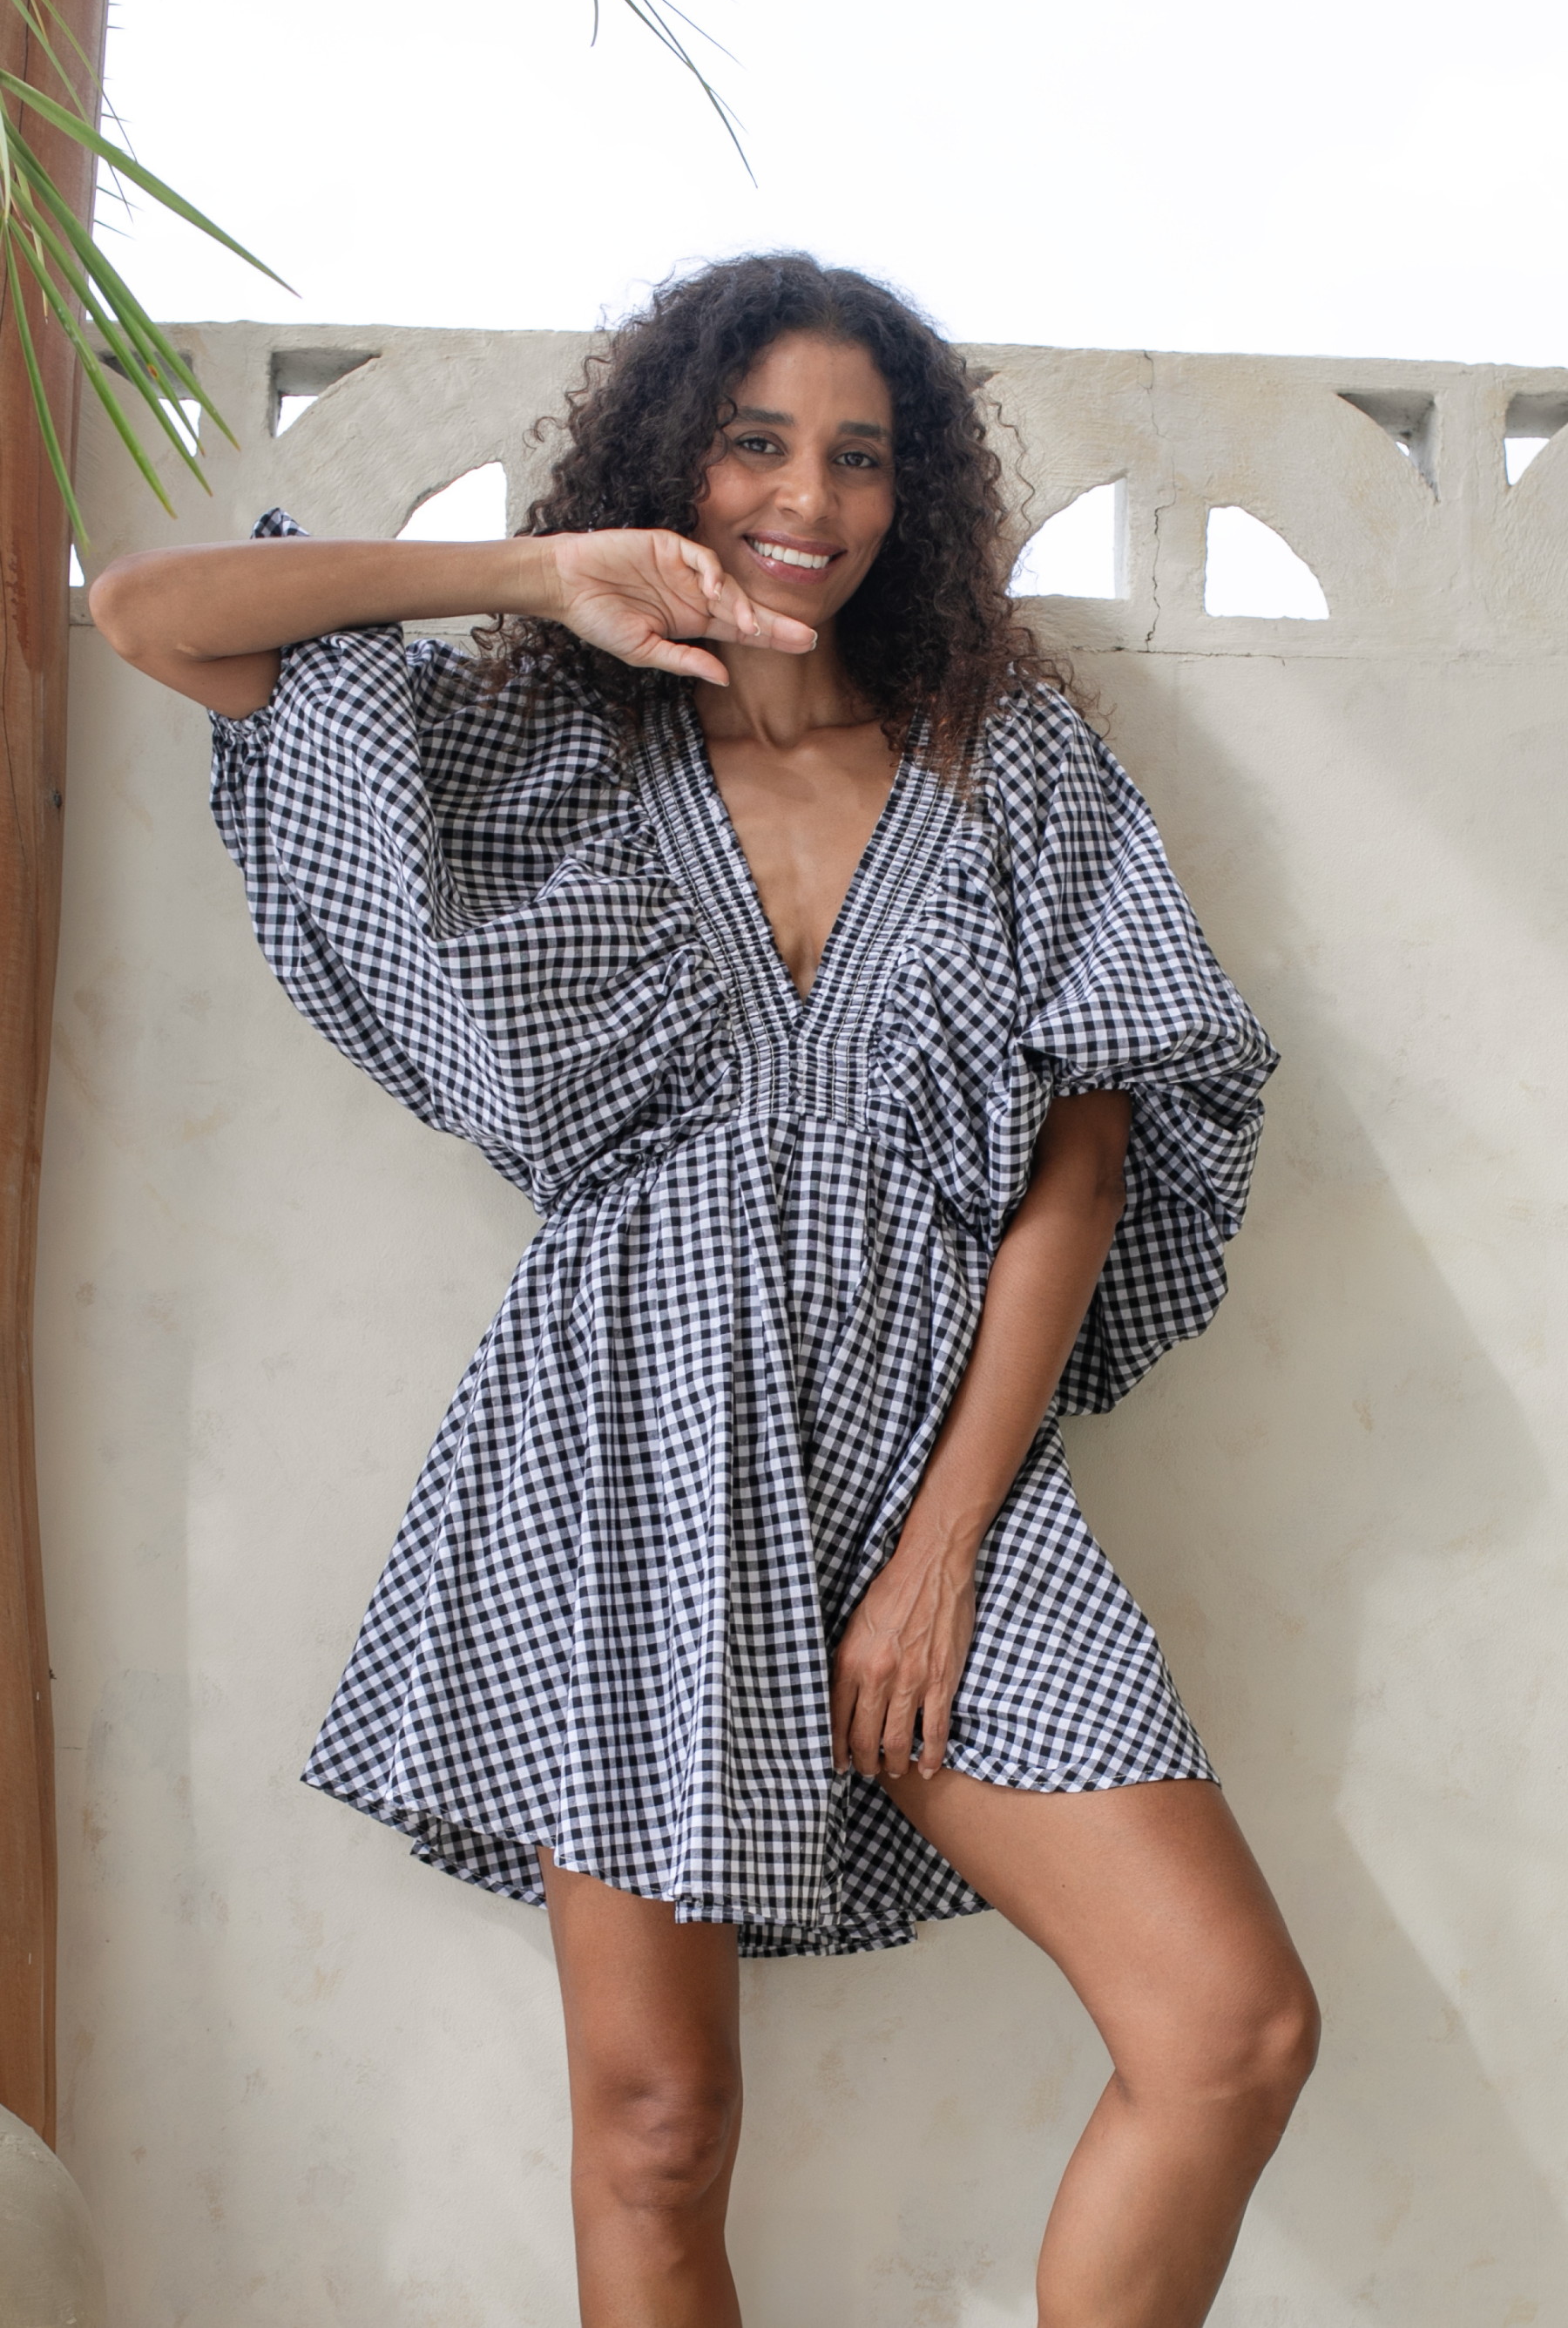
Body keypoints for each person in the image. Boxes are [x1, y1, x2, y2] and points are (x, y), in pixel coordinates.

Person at [91, 253, 1317, 2328]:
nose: (808, 500)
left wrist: (944, 1549)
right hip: (626, 1447)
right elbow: (152, 615)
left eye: (860, 455)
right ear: (675, 460)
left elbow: (1082, 1160)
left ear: (915, 492)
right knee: (660, 2129)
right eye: (757, 443)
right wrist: (538, 575)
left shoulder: (1002, 760)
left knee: (1230, 2030)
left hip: (941, 1463)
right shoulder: (537, 730)